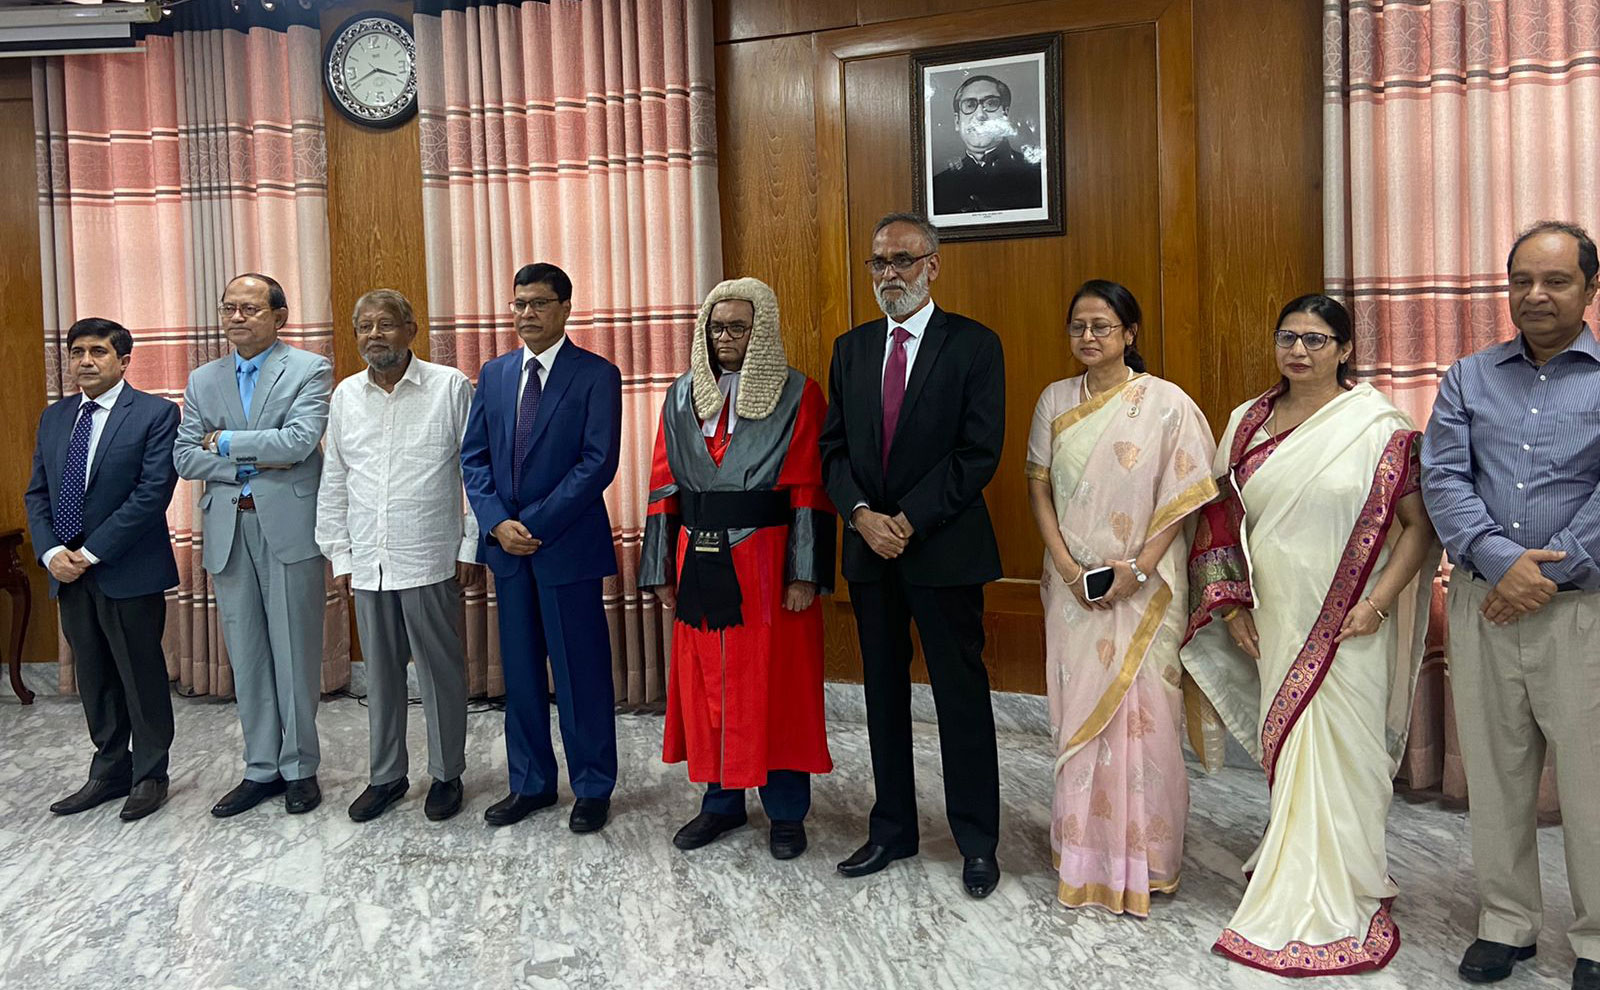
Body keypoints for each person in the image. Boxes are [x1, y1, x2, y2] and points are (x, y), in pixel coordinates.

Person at [1180, 294, 1438, 976]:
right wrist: (1233, 608)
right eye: (1288, 337)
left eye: (1317, 339)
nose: (1299, 350)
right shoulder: (1247, 423)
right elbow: (1215, 524)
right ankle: (1292, 859)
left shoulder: (1378, 426)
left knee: (1346, 757)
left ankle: (1346, 883)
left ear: (1345, 349)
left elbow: (1420, 529)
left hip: (1353, 624)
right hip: (1275, 619)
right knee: (1291, 750)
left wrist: (1376, 605)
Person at [1422, 221, 1600, 990]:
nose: (1536, 295)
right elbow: (1444, 480)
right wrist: (1502, 564)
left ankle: (1596, 937)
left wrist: (1546, 575)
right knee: (1496, 773)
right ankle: (1506, 923)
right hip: (1485, 604)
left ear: (1590, 288)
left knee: (1594, 780)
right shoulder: (1467, 377)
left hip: (1583, 611)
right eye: (1522, 279)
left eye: (1556, 281)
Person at [819, 212, 1006, 898]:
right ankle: (891, 827)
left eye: (903, 259)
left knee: (960, 698)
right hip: (871, 553)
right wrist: (864, 517)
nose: (889, 273)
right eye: (878, 262)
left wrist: (908, 519)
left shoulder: (975, 345)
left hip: (944, 550)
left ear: (934, 265)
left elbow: (978, 452)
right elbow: (832, 451)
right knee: (882, 696)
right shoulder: (852, 348)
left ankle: (977, 840)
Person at [1025, 280, 1216, 916]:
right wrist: (1064, 564)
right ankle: (1081, 855)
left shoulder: (1167, 405)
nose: (1088, 337)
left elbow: (1184, 495)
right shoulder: (1054, 400)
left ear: (1129, 334)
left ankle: (1147, 859)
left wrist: (1138, 567)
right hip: (1071, 589)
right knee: (1076, 717)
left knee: (1146, 722)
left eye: (1102, 326)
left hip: (1145, 592)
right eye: (1078, 325)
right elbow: (1040, 490)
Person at [640, 277, 834, 860]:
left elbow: (809, 490)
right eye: (717, 327)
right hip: (695, 554)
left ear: (763, 331)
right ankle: (719, 804)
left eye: (738, 327)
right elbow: (661, 489)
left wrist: (804, 574)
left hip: (768, 561)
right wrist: (660, 570)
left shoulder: (800, 394)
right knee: (706, 686)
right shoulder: (680, 396)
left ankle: (786, 813)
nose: (726, 338)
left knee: (777, 685)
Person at [460, 262, 622, 833]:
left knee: (581, 674)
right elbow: (473, 457)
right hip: (508, 551)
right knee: (522, 674)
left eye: (538, 304)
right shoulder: (495, 373)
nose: (526, 315)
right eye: (518, 304)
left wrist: (533, 524)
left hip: (567, 548)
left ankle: (593, 785)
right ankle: (529, 783)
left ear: (565, 308)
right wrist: (498, 523)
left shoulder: (597, 375)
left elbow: (597, 462)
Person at [316, 289, 479, 823]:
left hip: (428, 553)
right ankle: (386, 775)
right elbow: (334, 478)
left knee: (439, 671)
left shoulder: (449, 387)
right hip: (368, 559)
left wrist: (470, 543)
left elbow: (475, 474)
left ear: (412, 329)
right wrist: (339, 555)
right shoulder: (345, 396)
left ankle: (447, 773)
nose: (373, 335)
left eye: (386, 324)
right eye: (364, 326)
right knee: (380, 676)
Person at [174, 273, 332, 818]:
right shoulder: (202, 379)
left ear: (279, 317)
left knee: (294, 653)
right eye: (229, 309)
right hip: (228, 528)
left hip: (287, 528)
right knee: (247, 655)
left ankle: (299, 768)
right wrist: (252, 453)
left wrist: (222, 442)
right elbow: (184, 457)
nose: (237, 318)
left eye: (250, 308)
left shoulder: (309, 369)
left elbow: (298, 442)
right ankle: (260, 767)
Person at [24, 318, 180, 821]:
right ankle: (110, 768)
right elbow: (39, 494)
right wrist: (52, 555)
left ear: (124, 361)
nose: (85, 361)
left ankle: (150, 773)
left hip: (125, 568)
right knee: (93, 675)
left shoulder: (155, 414)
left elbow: (151, 494)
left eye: (98, 352)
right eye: (77, 352)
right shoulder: (55, 417)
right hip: (67, 573)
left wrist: (89, 553)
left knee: (140, 674)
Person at [930, 74, 1042, 215]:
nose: (980, 115)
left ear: (1005, 115)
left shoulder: (1038, 178)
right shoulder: (937, 187)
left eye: (990, 104)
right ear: (957, 122)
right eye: (970, 105)